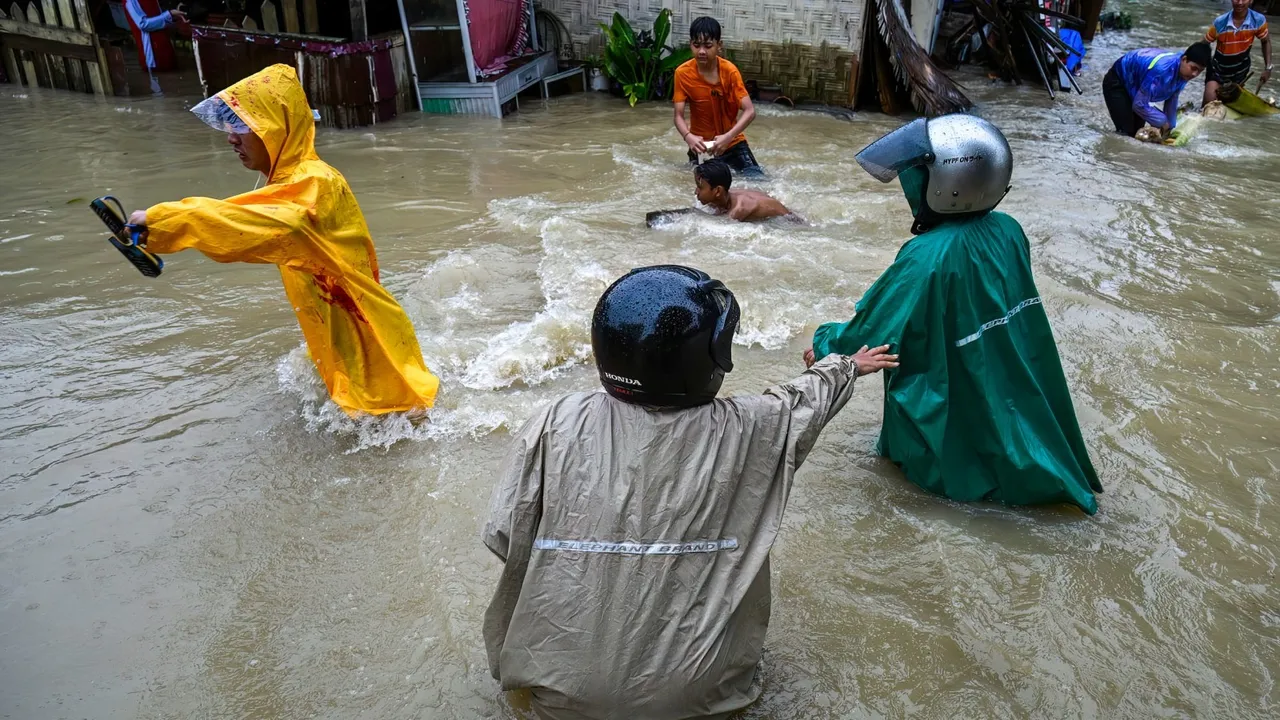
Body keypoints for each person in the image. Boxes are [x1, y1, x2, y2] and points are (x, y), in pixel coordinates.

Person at [482, 265, 896, 720]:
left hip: (558, 699)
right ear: (710, 359)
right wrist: (846, 365)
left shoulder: (555, 421)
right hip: (705, 703)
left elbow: (503, 534)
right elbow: (802, 401)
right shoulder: (752, 425)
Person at [806, 114, 1103, 515]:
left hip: (948, 406)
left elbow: (872, 331)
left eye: (918, 176)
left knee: (939, 489)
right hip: (999, 383)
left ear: (947, 184)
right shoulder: (1009, 230)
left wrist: (823, 343)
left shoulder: (926, 255)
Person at [126, 64, 439, 416]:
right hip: (340, 331)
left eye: (242, 125)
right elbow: (246, 218)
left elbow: (276, 227)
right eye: (229, 126)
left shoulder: (316, 182)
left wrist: (162, 221)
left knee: (395, 419)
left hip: (365, 339)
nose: (231, 138)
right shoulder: (285, 184)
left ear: (274, 127)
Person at [673, 17, 762, 175]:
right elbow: (678, 116)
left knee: (758, 182)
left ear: (719, 46)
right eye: (696, 45)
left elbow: (750, 111)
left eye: (708, 46)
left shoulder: (730, 72)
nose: (701, 51)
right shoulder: (682, 73)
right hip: (701, 146)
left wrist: (727, 137)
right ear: (690, 45)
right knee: (701, 193)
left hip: (732, 143)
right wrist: (688, 137)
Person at [1102, 42, 1210, 139]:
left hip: (1136, 87)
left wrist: (1170, 127)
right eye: (1193, 68)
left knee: (1137, 133)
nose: (1195, 74)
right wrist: (1162, 121)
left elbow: (1172, 98)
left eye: (1200, 71)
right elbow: (1139, 105)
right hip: (1117, 81)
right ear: (1184, 59)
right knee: (1126, 133)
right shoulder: (1161, 70)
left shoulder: (1184, 73)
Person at [1202, 0, 1272, 106]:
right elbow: (1203, 44)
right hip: (1217, 71)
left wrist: (1268, 68)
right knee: (1209, 104)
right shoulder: (1220, 22)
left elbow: (1265, 41)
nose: (1239, 3)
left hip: (1240, 72)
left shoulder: (1257, 20)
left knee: (1230, 104)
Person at [694, 159, 798, 222]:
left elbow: (718, 227)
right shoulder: (722, 196)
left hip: (790, 220)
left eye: (700, 187)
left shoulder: (739, 209)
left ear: (717, 191)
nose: (695, 192)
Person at [124, 0, 184, 78]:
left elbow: (160, 19)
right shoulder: (130, 1)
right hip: (152, 57)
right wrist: (169, 14)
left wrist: (173, 16)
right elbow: (143, 24)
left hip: (166, 49)